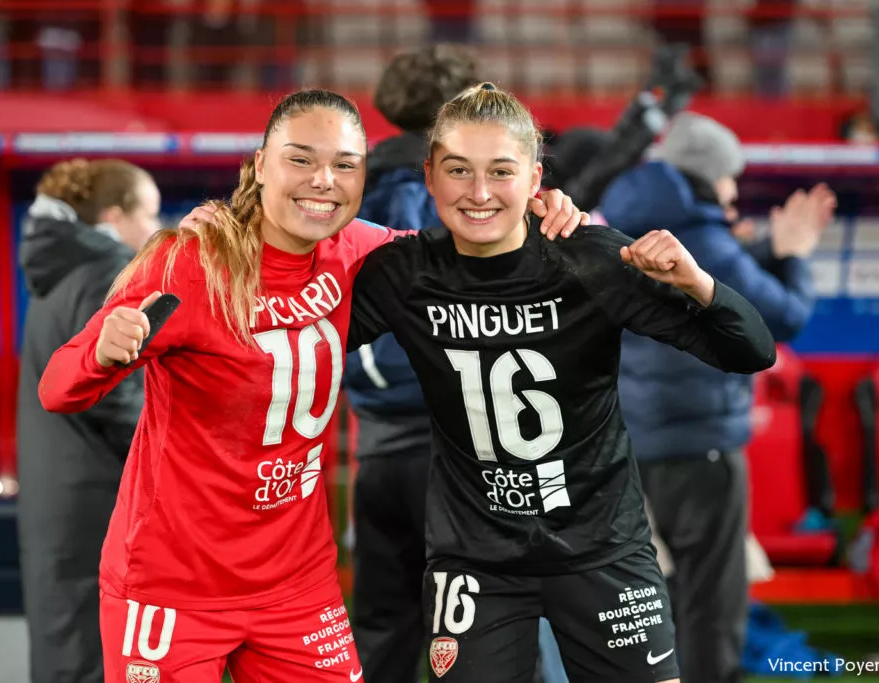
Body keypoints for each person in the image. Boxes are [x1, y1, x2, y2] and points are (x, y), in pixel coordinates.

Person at [38, 88, 585, 683]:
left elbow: (468, 246)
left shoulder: (359, 251)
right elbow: (58, 389)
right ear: (260, 165)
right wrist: (101, 351)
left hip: (298, 586)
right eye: (300, 159)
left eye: (345, 164)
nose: (323, 180)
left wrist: (538, 209)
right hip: (173, 586)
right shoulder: (188, 263)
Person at [344, 82, 777, 683]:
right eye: (458, 170)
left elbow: (751, 350)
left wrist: (697, 282)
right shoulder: (405, 272)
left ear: (535, 178)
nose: (479, 192)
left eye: (501, 171)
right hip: (474, 563)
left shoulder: (588, 258)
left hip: (604, 553)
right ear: (429, 177)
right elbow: (297, 340)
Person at [598, 112, 835, 683]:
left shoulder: (633, 222)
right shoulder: (701, 238)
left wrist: (765, 251)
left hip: (638, 442)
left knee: (662, 596)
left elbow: (721, 286)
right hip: (700, 442)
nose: (734, 191)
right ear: (707, 176)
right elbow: (781, 316)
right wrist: (795, 252)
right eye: (730, 177)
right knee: (713, 599)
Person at [345, 43, 482, 683]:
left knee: (383, 628)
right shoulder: (461, 195)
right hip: (453, 452)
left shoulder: (343, 190)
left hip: (372, 446)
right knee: (483, 633)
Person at [16, 158, 161, 683]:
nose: (156, 229)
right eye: (149, 214)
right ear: (114, 217)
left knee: (64, 644)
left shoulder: (59, 270)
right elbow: (115, 395)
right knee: (100, 651)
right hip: (101, 496)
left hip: (57, 495)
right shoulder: (108, 270)